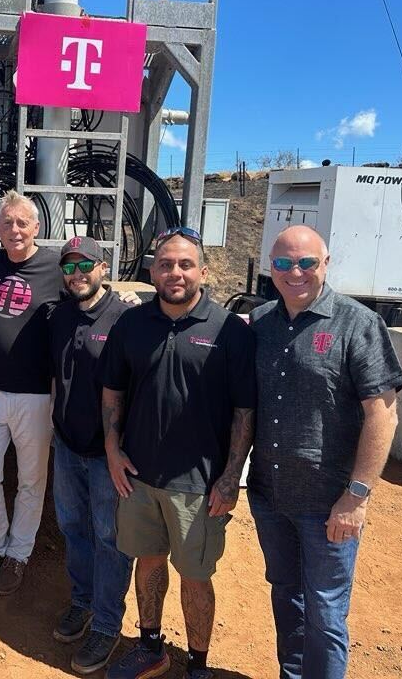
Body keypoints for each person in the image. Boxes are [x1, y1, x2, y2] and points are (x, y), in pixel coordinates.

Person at [248, 225, 402, 679]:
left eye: (306, 263)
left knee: (325, 611)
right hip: (270, 495)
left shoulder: (358, 324)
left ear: (326, 262)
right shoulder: (260, 324)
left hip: (329, 505)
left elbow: (383, 415)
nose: (294, 272)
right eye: (282, 264)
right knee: (285, 592)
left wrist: (355, 498)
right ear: (270, 269)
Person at [98, 227, 256, 679]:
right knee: (147, 562)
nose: (175, 273)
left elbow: (245, 411)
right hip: (138, 477)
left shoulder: (229, 330)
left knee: (195, 575)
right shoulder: (132, 324)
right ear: (152, 271)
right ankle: (151, 646)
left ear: (203, 271)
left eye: (186, 264)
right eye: (166, 264)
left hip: (199, 485)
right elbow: (113, 391)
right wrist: (112, 449)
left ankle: (199, 665)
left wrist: (230, 476)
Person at [0, 190, 63, 596]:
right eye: (7, 223)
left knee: (31, 480)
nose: (15, 230)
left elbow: (90, 290)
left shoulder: (56, 265)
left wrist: (125, 298)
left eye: (22, 222)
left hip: (36, 396)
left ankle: (18, 554)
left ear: (37, 226)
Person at [48, 236, 134, 675]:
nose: (77, 275)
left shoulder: (126, 317)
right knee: (72, 527)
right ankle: (82, 602)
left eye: (85, 266)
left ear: (103, 267)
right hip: (66, 445)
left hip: (108, 456)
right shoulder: (60, 314)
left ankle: (106, 622)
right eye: (68, 268)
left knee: (110, 538)